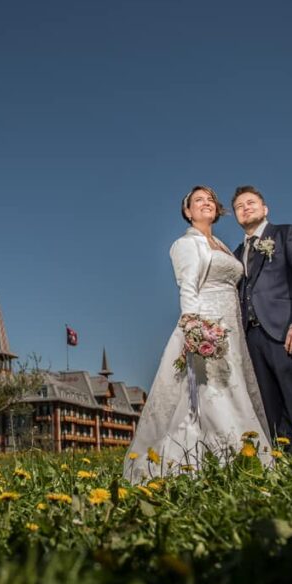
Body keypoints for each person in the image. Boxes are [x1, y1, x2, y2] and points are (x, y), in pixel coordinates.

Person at [123, 186, 272, 484]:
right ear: (188, 212)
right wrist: (193, 326)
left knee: (234, 386)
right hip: (207, 323)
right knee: (209, 391)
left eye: (210, 200)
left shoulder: (221, 245)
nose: (206, 204)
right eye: (198, 201)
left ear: (217, 210)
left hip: (232, 324)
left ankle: (242, 455)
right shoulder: (185, 244)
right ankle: (213, 459)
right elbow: (187, 286)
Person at [232, 186, 292, 453]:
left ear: (265, 209)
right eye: (239, 206)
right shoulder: (237, 254)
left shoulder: (286, 234)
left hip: (285, 331)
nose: (245, 208)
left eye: (251, 202)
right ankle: (285, 465)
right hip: (252, 338)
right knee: (269, 408)